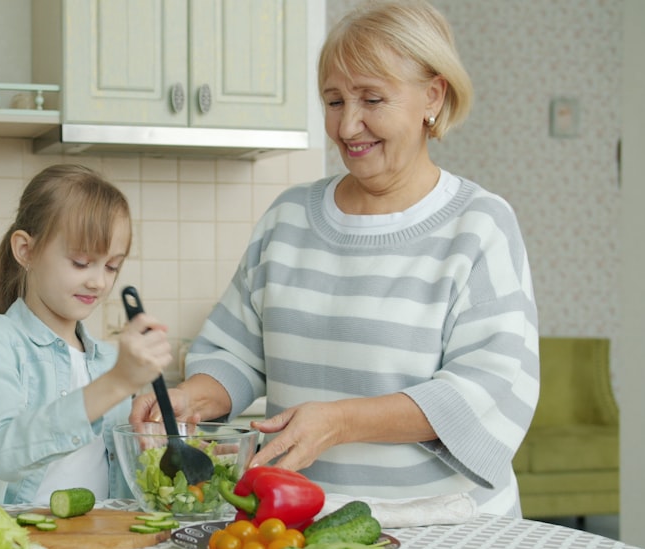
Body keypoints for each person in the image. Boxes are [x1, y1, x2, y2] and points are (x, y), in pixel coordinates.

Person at [131, 0, 539, 517]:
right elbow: (235, 352)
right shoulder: (289, 217)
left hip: (441, 525)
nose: (348, 127)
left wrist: (341, 421)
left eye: (371, 99)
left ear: (432, 96)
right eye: (333, 101)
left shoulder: (479, 225)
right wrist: (193, 398)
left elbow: (488, 389)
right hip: (301, 519)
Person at [0, 163, 172, 505]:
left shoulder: (110, 360)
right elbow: (2, 452)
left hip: (96, 543)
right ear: (25, 250)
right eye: (81, 262)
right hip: (15, 544)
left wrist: (156, 447)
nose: (99, 281)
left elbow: (124, 482)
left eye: (111, 266)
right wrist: (116, 383)